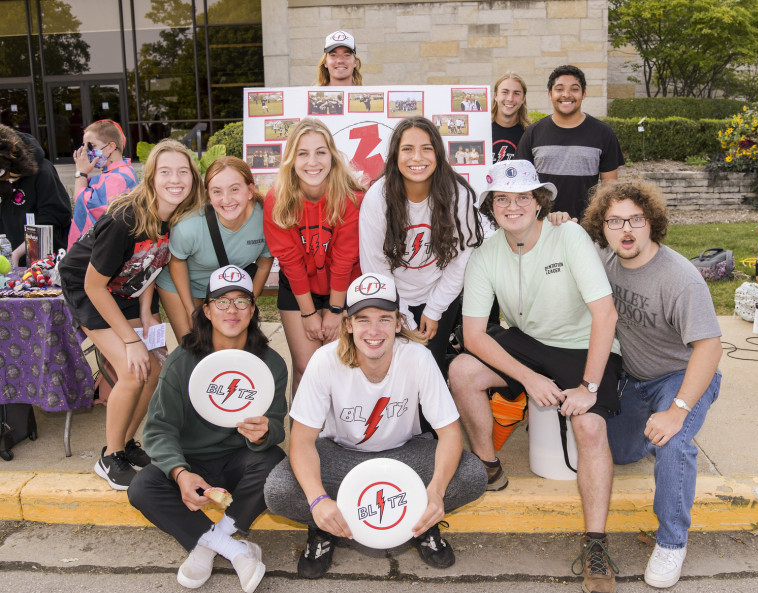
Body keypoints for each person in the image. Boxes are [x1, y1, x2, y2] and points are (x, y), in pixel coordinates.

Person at [448, 159, 622, 593]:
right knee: (462, 369)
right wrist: (528, 379)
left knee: (589, 427)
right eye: (502, 198)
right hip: (529, 342)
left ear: (539, 201)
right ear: (490, 206)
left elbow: (606, 314)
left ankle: (596, 545)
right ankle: (489, 465)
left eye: (522, 196)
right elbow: (473, 335)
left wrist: (589, 387)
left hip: (583, 345)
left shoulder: (569, 235)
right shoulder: (485, 254)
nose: (512, 206)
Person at [264, 273, 486, 579]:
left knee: (472, 474)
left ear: (398, 323)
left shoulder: (418, 358)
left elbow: (449, 433)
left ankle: (419, 521)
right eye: (363, 319)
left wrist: (434, 494)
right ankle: (324, 525)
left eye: (384, 318)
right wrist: (317, 500)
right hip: (340, 457)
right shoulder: (324, 361)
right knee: (278, 490)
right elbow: (301, 441)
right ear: (348, 325)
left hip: (403, 454)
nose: (374, 330)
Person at [581, 180, 722, 589]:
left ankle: (672, 542)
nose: (626, 230)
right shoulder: (606, 261)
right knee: (622, 452)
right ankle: (655, 430)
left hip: (682, 375)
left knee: (673, 443)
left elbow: (710, 348)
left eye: (635, 220)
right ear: (602, 228)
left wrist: (678, 410)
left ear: (651, 222)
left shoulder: (679, 278)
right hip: (635, 376)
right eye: (615, 221)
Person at [128, 266, 287, 593]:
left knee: (277, 465)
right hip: (192, 464)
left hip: (238, 462)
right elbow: (158, 430)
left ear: (253, 310)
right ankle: (233, 549)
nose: (232, 310)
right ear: (207, 310)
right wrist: (180, 473)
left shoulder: (270, 363)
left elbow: (275, 425)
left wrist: (264, 432)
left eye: (242, 301)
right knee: (142, 487)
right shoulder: (182, 361)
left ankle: (213, 539)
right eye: (222, 301)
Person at [59, 139, 203, 491]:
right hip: (90, 290)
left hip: (126, 292)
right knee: (131, 368)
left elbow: (149, 263)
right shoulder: (125, 218)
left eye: (183, 171)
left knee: (155, 367)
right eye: (165, 171)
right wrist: (129, 339)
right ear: (151, 177)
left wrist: (146, 313)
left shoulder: (175, 216)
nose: (175, 179)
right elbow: (94, 286)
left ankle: (125, 444)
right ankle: (109, 457)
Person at [359, 116, 483, 376]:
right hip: (391, 297)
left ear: (438, 154)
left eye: (426, 148)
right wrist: (402, 315)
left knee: (431, 370)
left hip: (439, 293)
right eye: (407, 149)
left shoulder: (457, 194)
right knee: (394, 371)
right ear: (394, 155)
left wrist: (435, 309)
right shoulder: (377, 198)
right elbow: (375, 266)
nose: (417, 157)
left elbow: (461, 259)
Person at [263, 118, 362, 394]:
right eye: (302, 153)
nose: (312, 162)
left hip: (340, 288)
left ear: (332, 155)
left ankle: (335, 436)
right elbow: (290, 262)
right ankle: (303, 437)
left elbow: (345, 259)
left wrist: (335, 311)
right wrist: (308, 312)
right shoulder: (278, 199)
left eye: (320, 152)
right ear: (291, 160)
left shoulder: (351, 197)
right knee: (306, 367)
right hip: (299, 288)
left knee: (337, 366)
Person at [157, 156, 274, 340]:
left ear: (250, 190)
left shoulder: (265, 220)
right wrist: (191, 311)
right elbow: (176, 261)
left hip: (228, 288)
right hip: (187, 286)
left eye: (234, 189)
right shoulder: (190, 226)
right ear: (209, 196)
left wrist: (248, 303)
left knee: (230, 346)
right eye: (217, 191)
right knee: (195, 345)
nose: (227, 200)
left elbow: (264, 263)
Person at [516, 64, 624, 219]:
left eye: (574, 89)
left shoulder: (603, 133)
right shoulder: (533, 133)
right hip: (542, 224)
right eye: (559, 89)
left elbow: (610, 189)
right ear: (550, 94)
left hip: (586, 226)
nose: (566, 94)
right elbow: (521, 185)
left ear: (584, 93)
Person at [0, 124, 71, 266]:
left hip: (44, 262)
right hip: (9, 260)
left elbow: (53, 219)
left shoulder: (43, 171)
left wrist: (17, 253)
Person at [69, 119, 138, 248]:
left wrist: (81, 173)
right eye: (84, 146)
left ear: (111, 146)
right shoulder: (119, 172)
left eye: (91, 146)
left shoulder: (117, 178)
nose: (86, 152)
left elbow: (84, 205)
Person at [491, 72, 531, 163]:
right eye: (505, 92)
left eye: (516, 93)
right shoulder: (482, 130)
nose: (510, 98)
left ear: (523, 99)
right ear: (495, 96)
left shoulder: (530, 134)